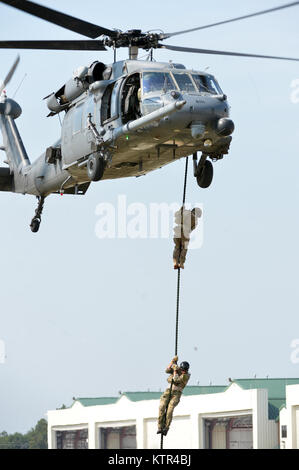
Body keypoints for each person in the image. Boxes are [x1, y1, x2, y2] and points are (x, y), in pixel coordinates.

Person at [157, 356, 190, 436]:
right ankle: (160, 426)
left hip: (176, 394)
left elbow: (175, 380)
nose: (183, 372)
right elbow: (167, 370)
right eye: (182, 370)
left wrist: (175, 370)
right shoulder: (178, 369)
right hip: (168, 391)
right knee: (162, 407)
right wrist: (172, 361)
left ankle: (166, 428)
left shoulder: (186, 376)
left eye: (184, 371)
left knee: (169, 410)